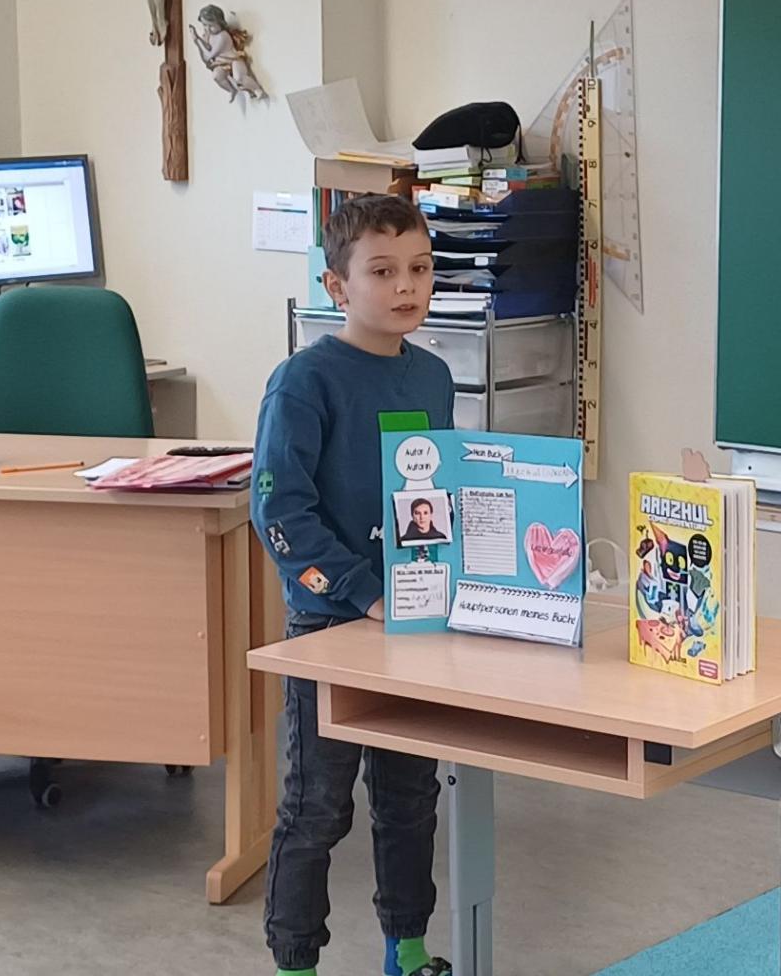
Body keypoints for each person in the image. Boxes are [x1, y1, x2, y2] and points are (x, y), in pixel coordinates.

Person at [251, 194, 455, 976]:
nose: (406, 286)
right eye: (382, 271)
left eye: (420, 269)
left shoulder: (432, 376)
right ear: (336, 286)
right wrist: (361, 591)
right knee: (315, 809)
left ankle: (408, 949)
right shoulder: (304, 381)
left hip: (411, 624)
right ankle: (295, 963)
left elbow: (431, 495)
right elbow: (279, 511)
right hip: (329, 629)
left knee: (409, 802)